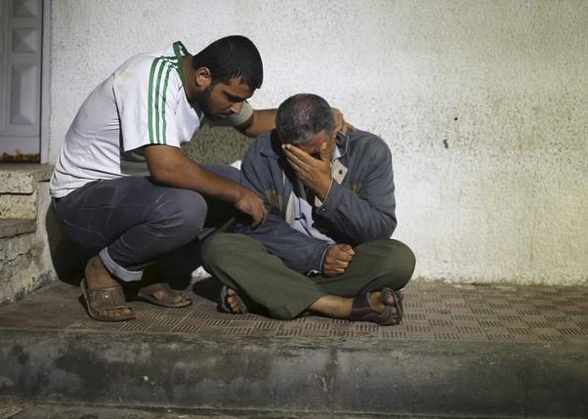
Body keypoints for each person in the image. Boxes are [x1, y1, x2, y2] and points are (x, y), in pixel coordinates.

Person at [51, 36, 334, 322]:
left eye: (242, 100)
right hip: (80, 203)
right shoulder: (150, 76)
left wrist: (322, 119)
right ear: (203, 76)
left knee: (237, 182)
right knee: (191, 206)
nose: (237, 108)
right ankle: (103, 269)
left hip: (129, 198)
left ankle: (146, 272)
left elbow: (254, 123)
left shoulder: (204, 91)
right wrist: (236, 194)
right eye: (232, 98)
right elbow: (165, 167)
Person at [201, 94, 415, 325]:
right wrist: (317, 255)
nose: (306, 161)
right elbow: (254, 226)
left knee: (398, 260)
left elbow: (379, 229)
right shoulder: (262, 152)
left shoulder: (370, 151)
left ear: (334, 130)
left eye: (314, 152)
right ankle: (339, 306)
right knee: (216, 248)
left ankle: (262, 293)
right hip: (283, 259)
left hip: (342, 264)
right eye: (295, 154)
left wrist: (327, 189)